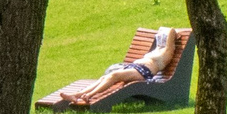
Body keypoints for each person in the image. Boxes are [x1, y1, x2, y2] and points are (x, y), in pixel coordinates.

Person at [55, 26, 187, 107]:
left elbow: (170, 31)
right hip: (135, 68)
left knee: (114, 75)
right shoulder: (159, 49)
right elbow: (164, 35)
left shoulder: (167, 53)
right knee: (105, 77)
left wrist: (173, 33)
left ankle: (89, 95)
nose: (163, 38)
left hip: (144, 72)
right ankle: (78, 94)